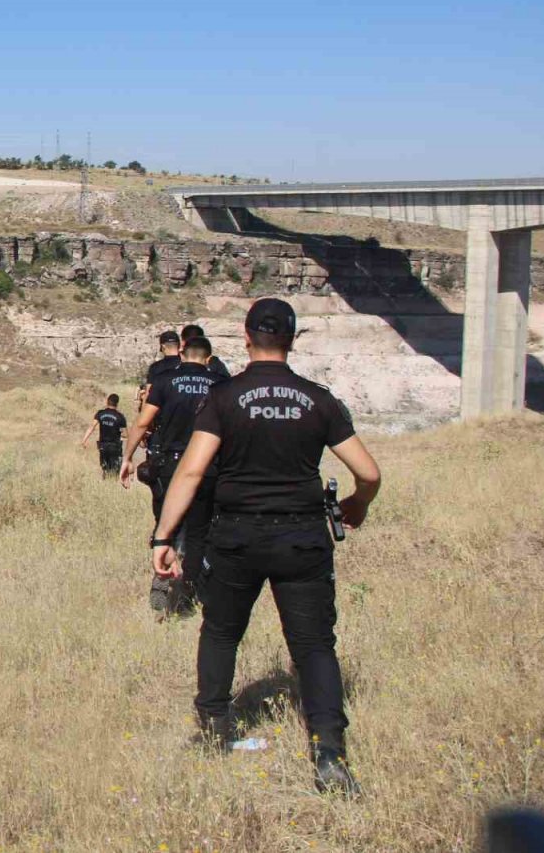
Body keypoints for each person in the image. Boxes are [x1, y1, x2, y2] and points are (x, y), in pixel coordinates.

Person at [150, 298, 381, 796]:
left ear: (245, 335)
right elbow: (369, 471)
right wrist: (358, 505)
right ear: (293, 339)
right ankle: (329, 753)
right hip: (302, 537)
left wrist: (165, 537)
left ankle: (214, 726)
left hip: (236, 535)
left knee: (221, 631)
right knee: (315, 646)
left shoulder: (224, 397)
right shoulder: (318, 399)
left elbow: (191, 472)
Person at [121, 336, 222, 613]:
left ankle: (162, 574)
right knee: (199, 532)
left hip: (171, 464)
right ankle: (187, 593)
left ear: (182, 353)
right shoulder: (220, 385)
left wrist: (127, 457)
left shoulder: (165, 381)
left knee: (167, 522)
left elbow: (143, 421)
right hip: (207, 466)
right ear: (209, 359)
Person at [80, 393, 128, 477]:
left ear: (107, 402)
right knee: (115, 471)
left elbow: (92, 427)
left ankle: (105, 483)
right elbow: (125, 434)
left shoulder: (100, 413)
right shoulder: (120, 417)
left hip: (102, 446)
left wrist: (84, 440)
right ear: (117, 403)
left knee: (105, 468)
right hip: (115, 447)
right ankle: (111, 485)